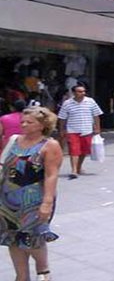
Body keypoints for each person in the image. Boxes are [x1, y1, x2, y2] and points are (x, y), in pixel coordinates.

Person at [0, 107, 64, 281]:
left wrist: (47, 203)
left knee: (33, 237)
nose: (24, 125)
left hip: (34, 198)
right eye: (22, 121)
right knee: (13, 237)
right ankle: (21, 277)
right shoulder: (14, 140)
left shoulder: (50, 145)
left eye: (29, 122)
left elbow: (51, 175)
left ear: (42, 125)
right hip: (8, 198)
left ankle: (43, 270)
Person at [57, 84, 103, 179]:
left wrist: (97, 128)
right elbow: (62, 118)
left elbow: (96, 115)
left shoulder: (90, 101)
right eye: (80, 91)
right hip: (72, 130)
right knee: (74, 150)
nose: (83, 93)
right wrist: (61, 130)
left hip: (87, 130)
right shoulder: (67, 103)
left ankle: (78, 167)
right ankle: (74, 170)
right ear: (74, 93)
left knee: (83, 151)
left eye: (84, 91)